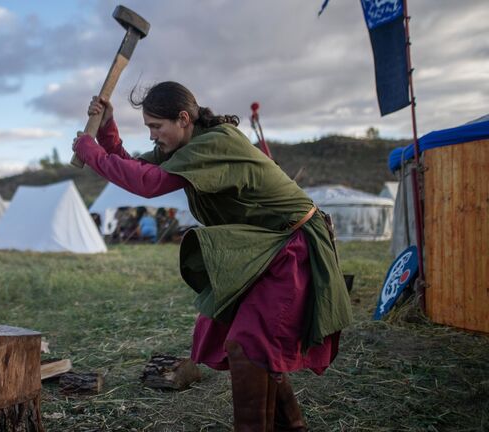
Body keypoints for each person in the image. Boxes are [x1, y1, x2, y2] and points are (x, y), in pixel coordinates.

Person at [73, 81, 352, 431]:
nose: (152, 136)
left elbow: (147, 183)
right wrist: (107, 130)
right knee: (253, 346)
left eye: (156, 127)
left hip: (293, 245)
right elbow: (134, 167)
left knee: (248, 345)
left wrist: (90, 152)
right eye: (148, 128)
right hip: (264, 248)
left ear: (184, 119)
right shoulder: (189, 145)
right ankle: (292, 426)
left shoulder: (215, 143)